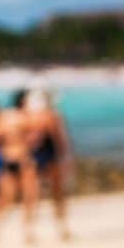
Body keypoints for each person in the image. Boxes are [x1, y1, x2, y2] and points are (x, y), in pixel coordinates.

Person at [0, 89, 39, 244]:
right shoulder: (26, 117)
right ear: (24, 101)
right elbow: (36, 138)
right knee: (29, 197)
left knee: (4, 199)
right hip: (23, 160)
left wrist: (4, 144)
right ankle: (27, 233)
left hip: (6, 158)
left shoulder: (2, 117)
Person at [26, 88, 73, 240]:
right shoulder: (52, 116)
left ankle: (29, 231)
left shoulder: (30, 116)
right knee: (57, 193)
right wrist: (66, 158)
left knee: (32, 195)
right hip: (50, 155)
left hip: (33, 156)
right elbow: (60, 140)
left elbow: (25, 140)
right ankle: (62, 229)